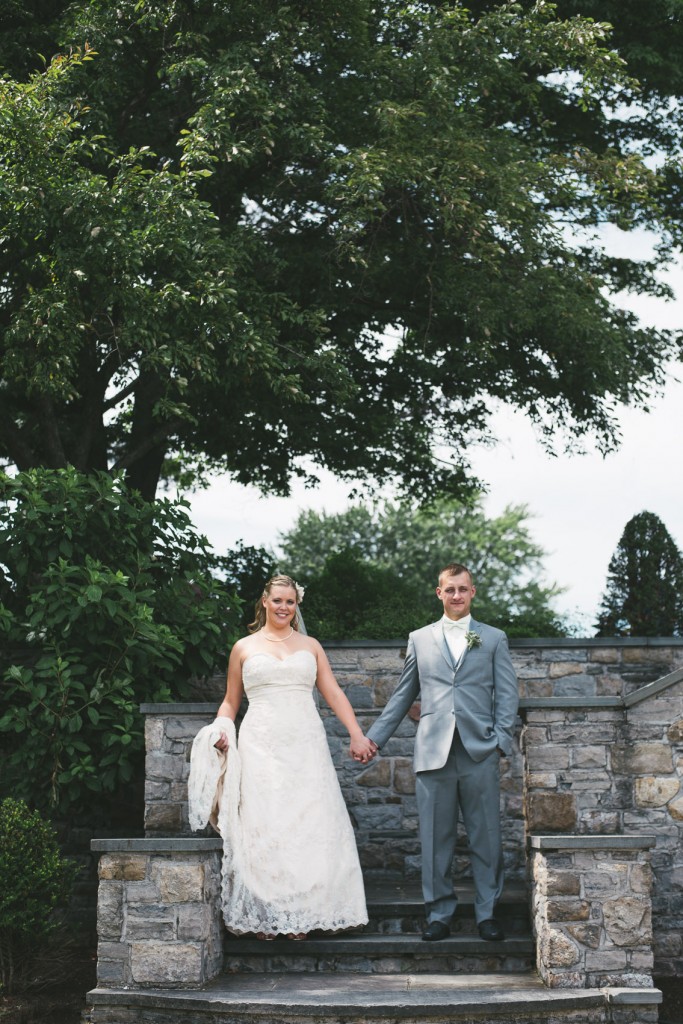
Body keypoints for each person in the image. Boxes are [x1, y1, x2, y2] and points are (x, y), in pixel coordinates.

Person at [188, 574, 374, 941]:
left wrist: (357, 733)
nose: (284, 607)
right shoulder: (243, 647)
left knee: (307, 822)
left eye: (290, 601)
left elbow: (333, 693)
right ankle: (268, 913)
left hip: (305, 743)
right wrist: (222, 731)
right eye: (278, 601)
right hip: (261, 743)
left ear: (297, 604)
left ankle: (304, 914)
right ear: (265, 601)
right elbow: (230, 700)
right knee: (267, 821)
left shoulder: (311, 645)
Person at [366, 562, 519, 943]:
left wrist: (500, 738)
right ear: (439, 593)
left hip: (479, 750)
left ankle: (487, 913)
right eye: (449, 590)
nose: (456, 596)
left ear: (473, 592)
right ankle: (439, 914)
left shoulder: (494, 638)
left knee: (486, 838)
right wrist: (374, 739)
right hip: (433, 752)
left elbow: (507, 693)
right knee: (436, 840)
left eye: (463, 589)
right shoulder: (419, 638)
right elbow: (404, 694)